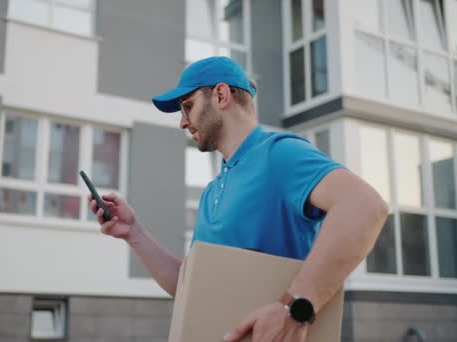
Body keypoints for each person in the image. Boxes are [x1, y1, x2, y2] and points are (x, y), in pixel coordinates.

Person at [87, 56, 388, 342]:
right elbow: (192, 285)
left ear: (220, 96)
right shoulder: (212, 191)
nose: (182, 122)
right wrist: (133, 232)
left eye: (187, 106)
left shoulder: (278, 154)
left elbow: (365, 206)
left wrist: (294, 309)